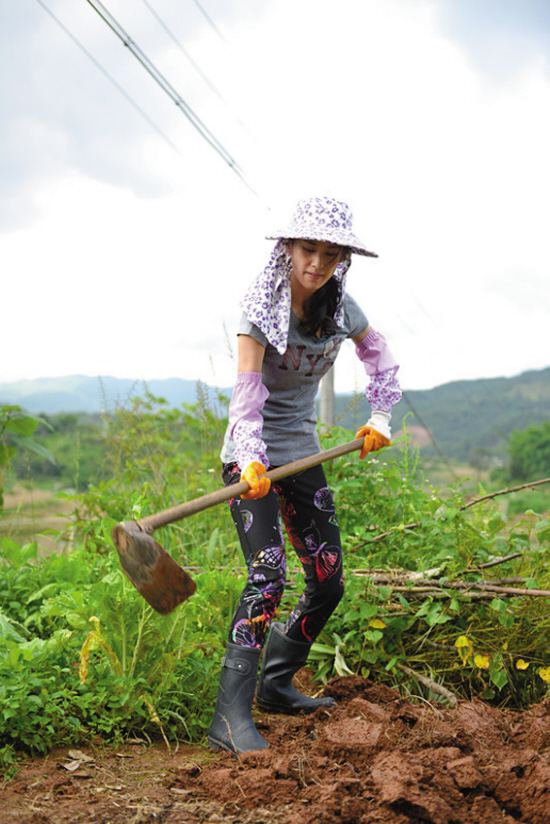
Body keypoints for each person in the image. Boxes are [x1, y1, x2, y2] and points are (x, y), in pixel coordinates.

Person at [207, 196, 402, 753]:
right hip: (253, 459)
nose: (317, 262)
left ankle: (275, 685)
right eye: (308, 249)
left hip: (305, 455)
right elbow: (245, 397)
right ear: (288, 247)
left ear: (343, 257)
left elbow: (380, 359)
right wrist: (251, 460)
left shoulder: (342, 308)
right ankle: (228, 719)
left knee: (328, 576)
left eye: (330, 253)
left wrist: (381, 417)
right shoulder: (258, 310)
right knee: (267, 574)